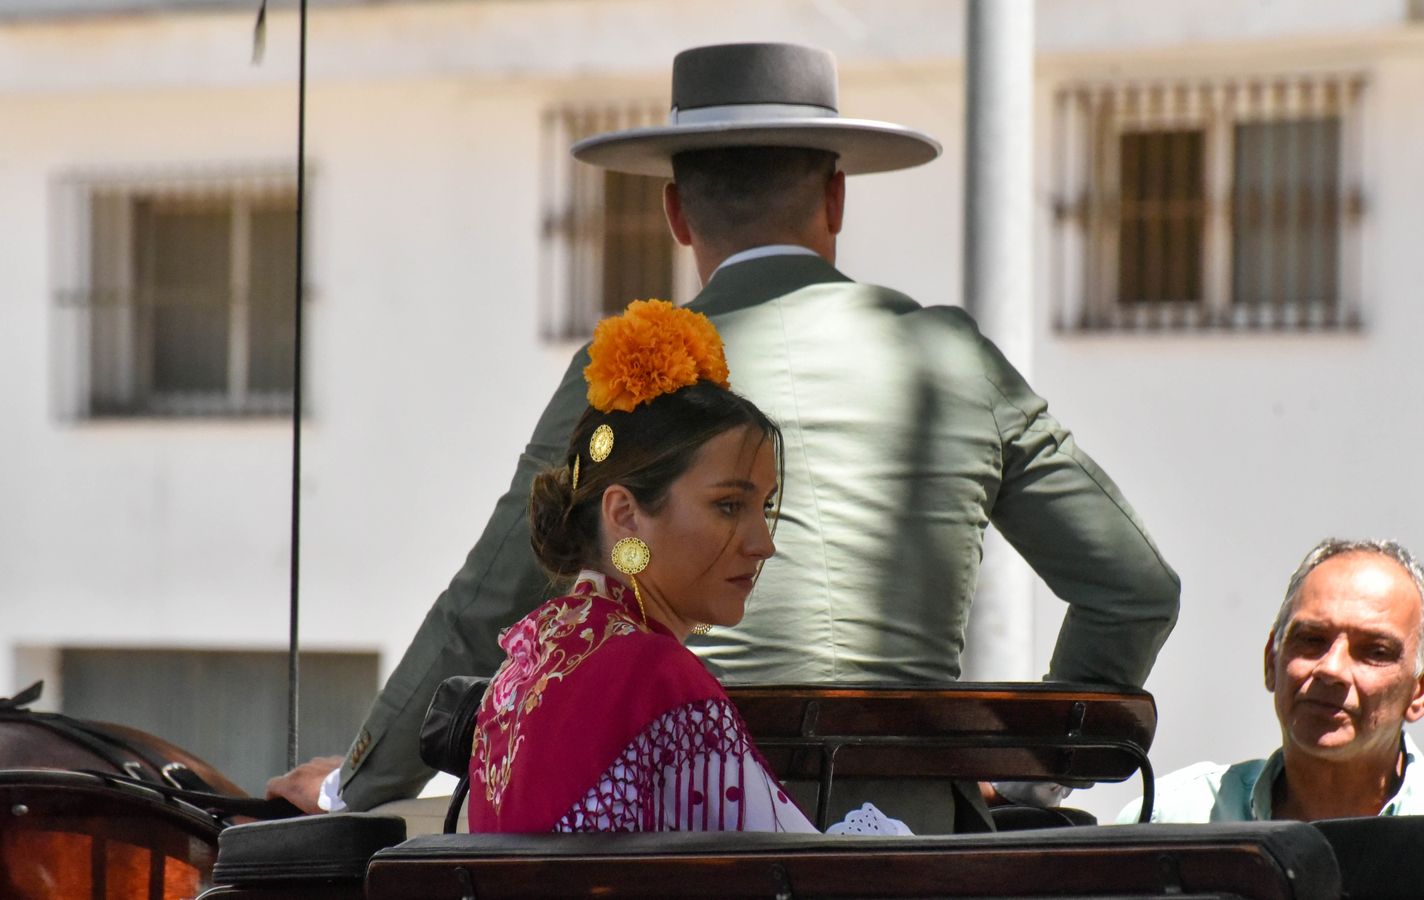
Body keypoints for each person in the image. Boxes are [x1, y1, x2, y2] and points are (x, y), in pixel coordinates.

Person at [270, 42, 1180, 829]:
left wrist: (358, 786)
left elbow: (488, 602)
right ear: (836, 195)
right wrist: (1040, 773)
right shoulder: (952, 359)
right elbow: (1134, 590)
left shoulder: (631, 374)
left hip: (685, 838)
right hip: (915, 845)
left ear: (675, 212)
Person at [472, 298, 906, 834]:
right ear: (625, 513)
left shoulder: (526, 657)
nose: (763, 543)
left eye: (763, 507)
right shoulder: (657, 677)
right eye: (729, 505)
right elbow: (796, 874)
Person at [1118, 538, 1424, 823]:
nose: (1332, 669)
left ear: (1423, 689)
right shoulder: (1169, 821)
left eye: (1375, 651)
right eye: (1311, 640)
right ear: (1271, 660)